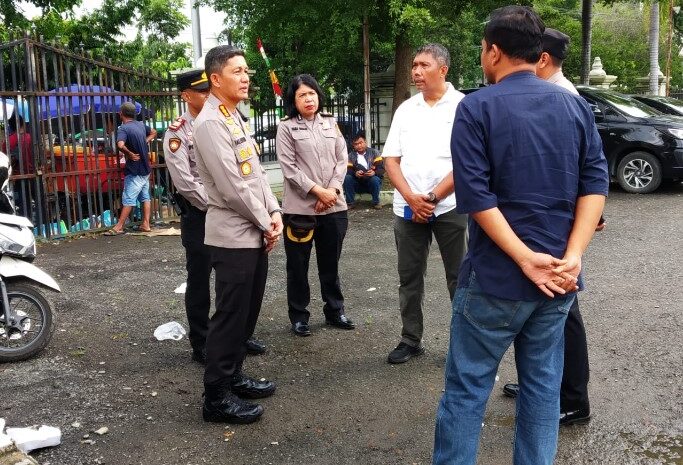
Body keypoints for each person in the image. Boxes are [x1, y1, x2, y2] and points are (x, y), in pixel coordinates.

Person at [432, 7, 608, 465]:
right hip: (560, 281)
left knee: (467, 389)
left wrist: (525, 258)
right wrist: (573, 256)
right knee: (543, 390)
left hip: (496, 278)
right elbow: (595, 185)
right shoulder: (574, 105)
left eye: (482, 48)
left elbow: (475, 195)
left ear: (493, 51)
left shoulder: (477, 106)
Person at [500, 27, 595, 426]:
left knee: (564, 310)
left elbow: (583, 172)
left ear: (540, 59)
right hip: (549, 226)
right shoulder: (550, 93)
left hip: (556, 229)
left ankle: (573, 399)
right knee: (542, 309)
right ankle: (542, 383)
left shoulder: (565, 98)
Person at [193, 45, 283, 424]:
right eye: (238, 71)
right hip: (233, 235)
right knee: (229, 316)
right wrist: (266, 221)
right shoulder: (211, 123)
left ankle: (234, 376)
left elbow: (256, 174)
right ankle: (215, 397)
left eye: (248, 71)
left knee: (246, 313)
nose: (246, 77)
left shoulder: (234, 116)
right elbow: (232, 187)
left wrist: (274, 211)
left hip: (254, 230)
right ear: (216, 79)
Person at [163, 69, 267, 365]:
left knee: (236, 279)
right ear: (186, 96)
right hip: (200, 215)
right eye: (201, 91)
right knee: (200, 279)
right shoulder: (177, 132)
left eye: (210, 89)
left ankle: (238, 337)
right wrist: (220, 205)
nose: (208, 95)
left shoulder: (226, 120)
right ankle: (201, 342)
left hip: (228, 212)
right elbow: (186, 183)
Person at [382, 43, 468, 364]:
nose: (416, 71)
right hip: (408, 208)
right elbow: (391, 160)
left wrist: (432, 198)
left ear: (442, 69)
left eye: (423, 65)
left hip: (450, 207)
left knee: (460, 278)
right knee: (409, 276)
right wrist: (411, 198)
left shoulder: (463, 106)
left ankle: (462, 345)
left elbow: (467, 162)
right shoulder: (407, 109)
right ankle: (410, 338)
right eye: (414, 65)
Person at [276, 74, 355, 337]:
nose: (308, 99)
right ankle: (299, 316)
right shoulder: (286, 127)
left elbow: (341, 159)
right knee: (298, 266)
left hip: (334, 207)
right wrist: (318, 192)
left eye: (312, 93)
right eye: (302, 95)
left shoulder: (330, 123)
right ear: (293, 100)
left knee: (330, 263)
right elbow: (289, 169)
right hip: (301, 209)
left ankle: (335, 311)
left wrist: (331, 191)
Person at [105, 101, 157, 235]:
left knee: (128, 198)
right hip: (146, 168)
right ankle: (146, 224)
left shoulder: (124, 128)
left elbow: (120, 144)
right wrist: (145, 141)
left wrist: (130, 153)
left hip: (135, 169)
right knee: (145, 197)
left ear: (120, 114)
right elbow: (153, 132)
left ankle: (119, 226)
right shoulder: (140, 125)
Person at [343, 132, 384, 209]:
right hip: (357, 183)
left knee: (375, 179)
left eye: (361, 143)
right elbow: (348, 170)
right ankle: (350, 203)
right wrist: (356, 173)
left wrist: (374, 172)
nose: (359, 145)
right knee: (347, 178)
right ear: (353, 146)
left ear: (365, 142)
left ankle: (376, 202)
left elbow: (381, 169)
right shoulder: (351, 156)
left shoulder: (374, 152)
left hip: (371, 183)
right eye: (356, 144)